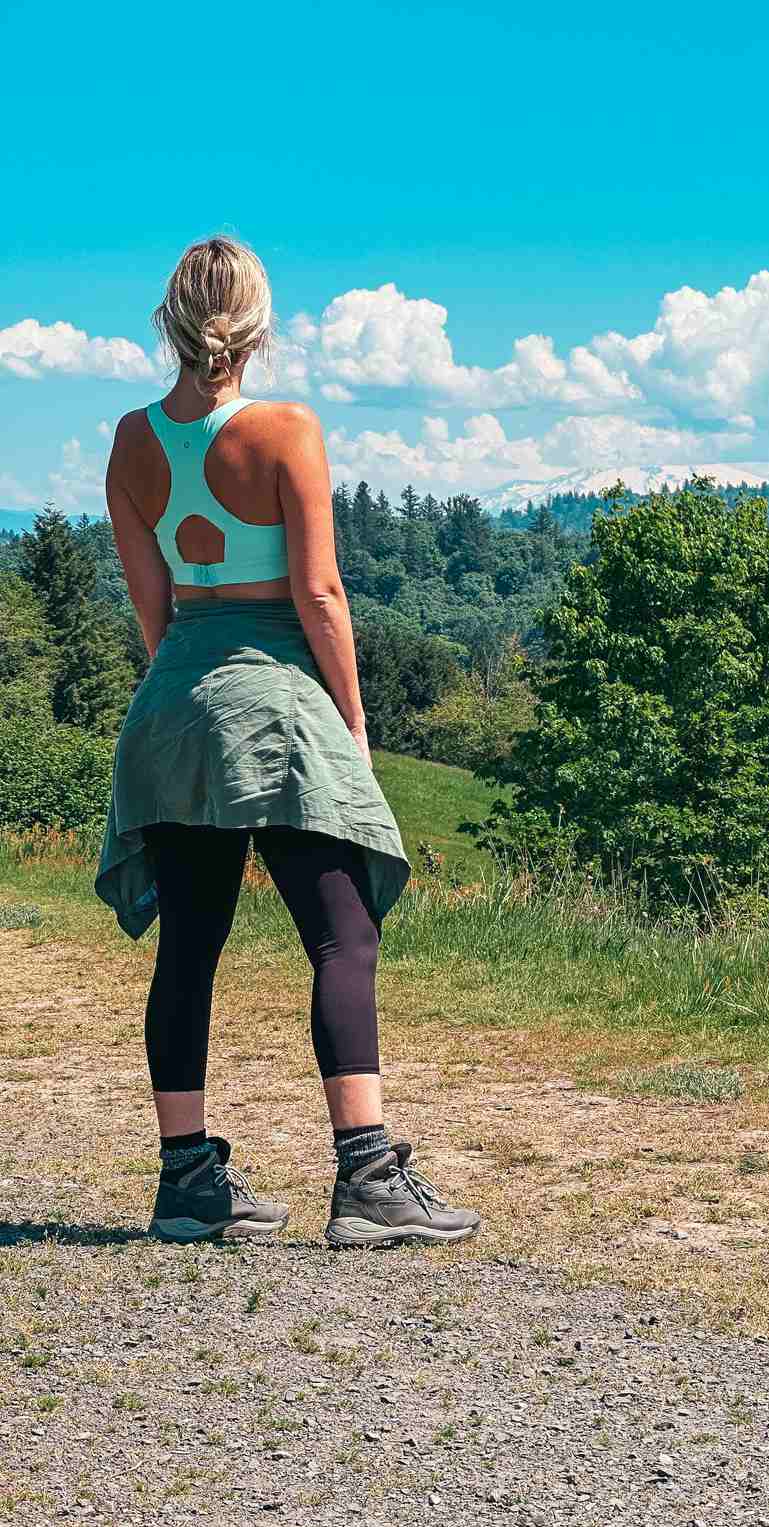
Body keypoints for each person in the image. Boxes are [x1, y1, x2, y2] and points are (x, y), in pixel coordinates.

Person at [95, 235, 481, 1250]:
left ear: (170, 320)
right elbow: (318, 591)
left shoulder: (132, 441)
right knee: (342, 934)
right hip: (277, 699)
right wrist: (350, 719)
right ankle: (367, 1177)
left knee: (190, 943)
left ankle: (186, 1183)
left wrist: (185, 688)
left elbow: (153, 606)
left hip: (174, 697)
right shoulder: (287, 429)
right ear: (256, 326)